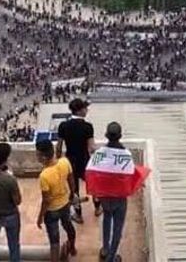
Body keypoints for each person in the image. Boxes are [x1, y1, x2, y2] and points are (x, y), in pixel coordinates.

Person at [57, 98, 97, 223]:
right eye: (85, 108)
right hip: (84, 160)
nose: (87, 110)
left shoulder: (63, 126)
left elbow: (58, 147)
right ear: (79, 111)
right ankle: (97, 207)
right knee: (93, 184)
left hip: (70, 161)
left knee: (74, 189)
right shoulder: (88, 126)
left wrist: (58, 162)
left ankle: (78, 214)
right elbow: (91, 148)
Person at [36, 139, 77, 262]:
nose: (36, 156)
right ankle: (72, 248)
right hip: (65, 204)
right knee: (68, 226)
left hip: (52, 211)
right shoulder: (65, 162)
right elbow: (72, 182)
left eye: (37, 154)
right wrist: (71, 195)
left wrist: (40, 216)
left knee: (54, 241)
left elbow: (46, 200)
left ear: (43, 157)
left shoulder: (44, 176)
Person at [97, 122, 128, 262]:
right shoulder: (125, 154)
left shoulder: (100, 153)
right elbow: (129, 175)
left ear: (106, 135)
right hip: (119, 196)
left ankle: (105, 248)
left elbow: (94, 173)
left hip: (105, 195)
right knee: (117, 226)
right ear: (120, 136)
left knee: (106, 218)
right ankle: (111, 257)